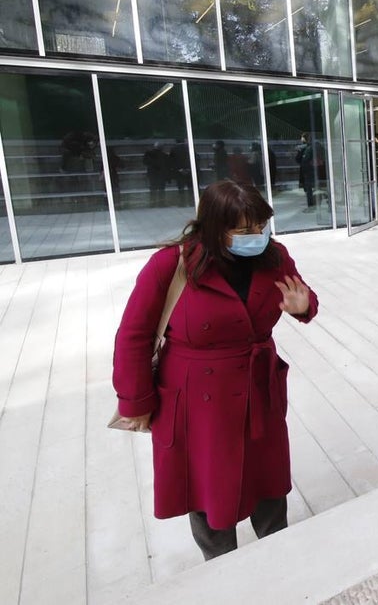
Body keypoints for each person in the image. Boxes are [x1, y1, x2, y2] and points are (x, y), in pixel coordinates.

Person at [111, 179, 318, 560]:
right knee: (208, 487)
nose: (256, 235)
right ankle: (220, 568)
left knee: (268, 482)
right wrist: (135, 400)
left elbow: (303, 295)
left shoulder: (275, 255)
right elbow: (134, 335)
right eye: (244, 230)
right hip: (198, 399)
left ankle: (280, 560)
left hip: (259, 388)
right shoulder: (171, 264)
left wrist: (303, 305)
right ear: (213, 228)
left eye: (261, 226)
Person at [143, 142, 169, 207]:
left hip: (152, 174)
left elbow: (145, 162)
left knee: (153, 189)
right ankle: (161, 203)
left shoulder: (148, 154)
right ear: (162, 148)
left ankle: (152, 204)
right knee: (161, 189)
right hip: (161, 174)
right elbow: (167, 165)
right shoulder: (164, 155)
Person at [295, 132, 316, 208]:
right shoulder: (308, 147)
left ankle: (310, 204)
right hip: (308, 168)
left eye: (302, 137)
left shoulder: (305, 148)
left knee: (308, 186)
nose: (301, 139)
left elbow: (298, 159)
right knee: (308, 186)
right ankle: (310, 202)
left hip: (306, 168)